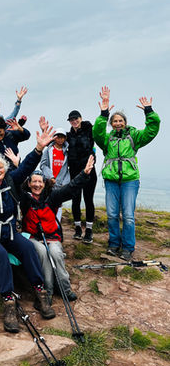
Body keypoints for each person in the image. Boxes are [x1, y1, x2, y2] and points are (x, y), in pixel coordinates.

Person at [0, 122, 55, 333]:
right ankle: (8, 302)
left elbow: (24, 168)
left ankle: (40, 292)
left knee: (27, 247)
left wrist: (38, 149)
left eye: (0, 167)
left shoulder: (10, 180)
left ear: (5, 169)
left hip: (7, 232)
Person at [93, 86, 160, 260]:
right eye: (114, 121)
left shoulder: (134, 136)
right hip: (111, 181)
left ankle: (128, 247)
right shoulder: (107, 139)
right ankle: (114, 244)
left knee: (128, 215)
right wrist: (104, 112)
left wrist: (149, 111)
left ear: (125, 122)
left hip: (130, 180)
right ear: (111, 124)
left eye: (120, 121)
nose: (117, 123)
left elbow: (152, 130)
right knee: (112, 215)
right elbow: (97, 132)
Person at [21, 155, 95, 306]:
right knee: (42, 252)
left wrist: (84, 174)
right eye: (34, 181)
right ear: (29, 184)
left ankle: (64, 289)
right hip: (33, 237)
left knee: (55, 253)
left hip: (52, 236)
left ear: (44, 184)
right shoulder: (25, 199)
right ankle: (47, 291)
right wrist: (18, 166)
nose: (37, 185)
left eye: (40, 182)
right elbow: (14, 184)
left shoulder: (52, 197)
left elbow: (70, 188)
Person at [67, 109, 97, 244]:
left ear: (81, 118)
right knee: (76, 200)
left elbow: (99, 131)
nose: (74, 121)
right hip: (74, 172)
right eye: (71, 120)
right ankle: (78, 228)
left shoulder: (89, 130)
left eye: (76, 119)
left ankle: (89, 230)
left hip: (89, 170)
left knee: (88, 199)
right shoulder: (69, 135)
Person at [40, 122, 70, 221]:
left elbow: (68, 169)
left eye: (62, 137)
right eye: (58, 137)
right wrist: (50, 177)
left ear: (65, 138)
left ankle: (56, 227)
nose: (60, 139)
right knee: (47, 204)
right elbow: (43, 165)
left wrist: (65, 183)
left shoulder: (67, 152)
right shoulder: (48, 150)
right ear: (54, 138)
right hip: (49, 183)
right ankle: (47, 226)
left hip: (61, 184)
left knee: (59, 206)